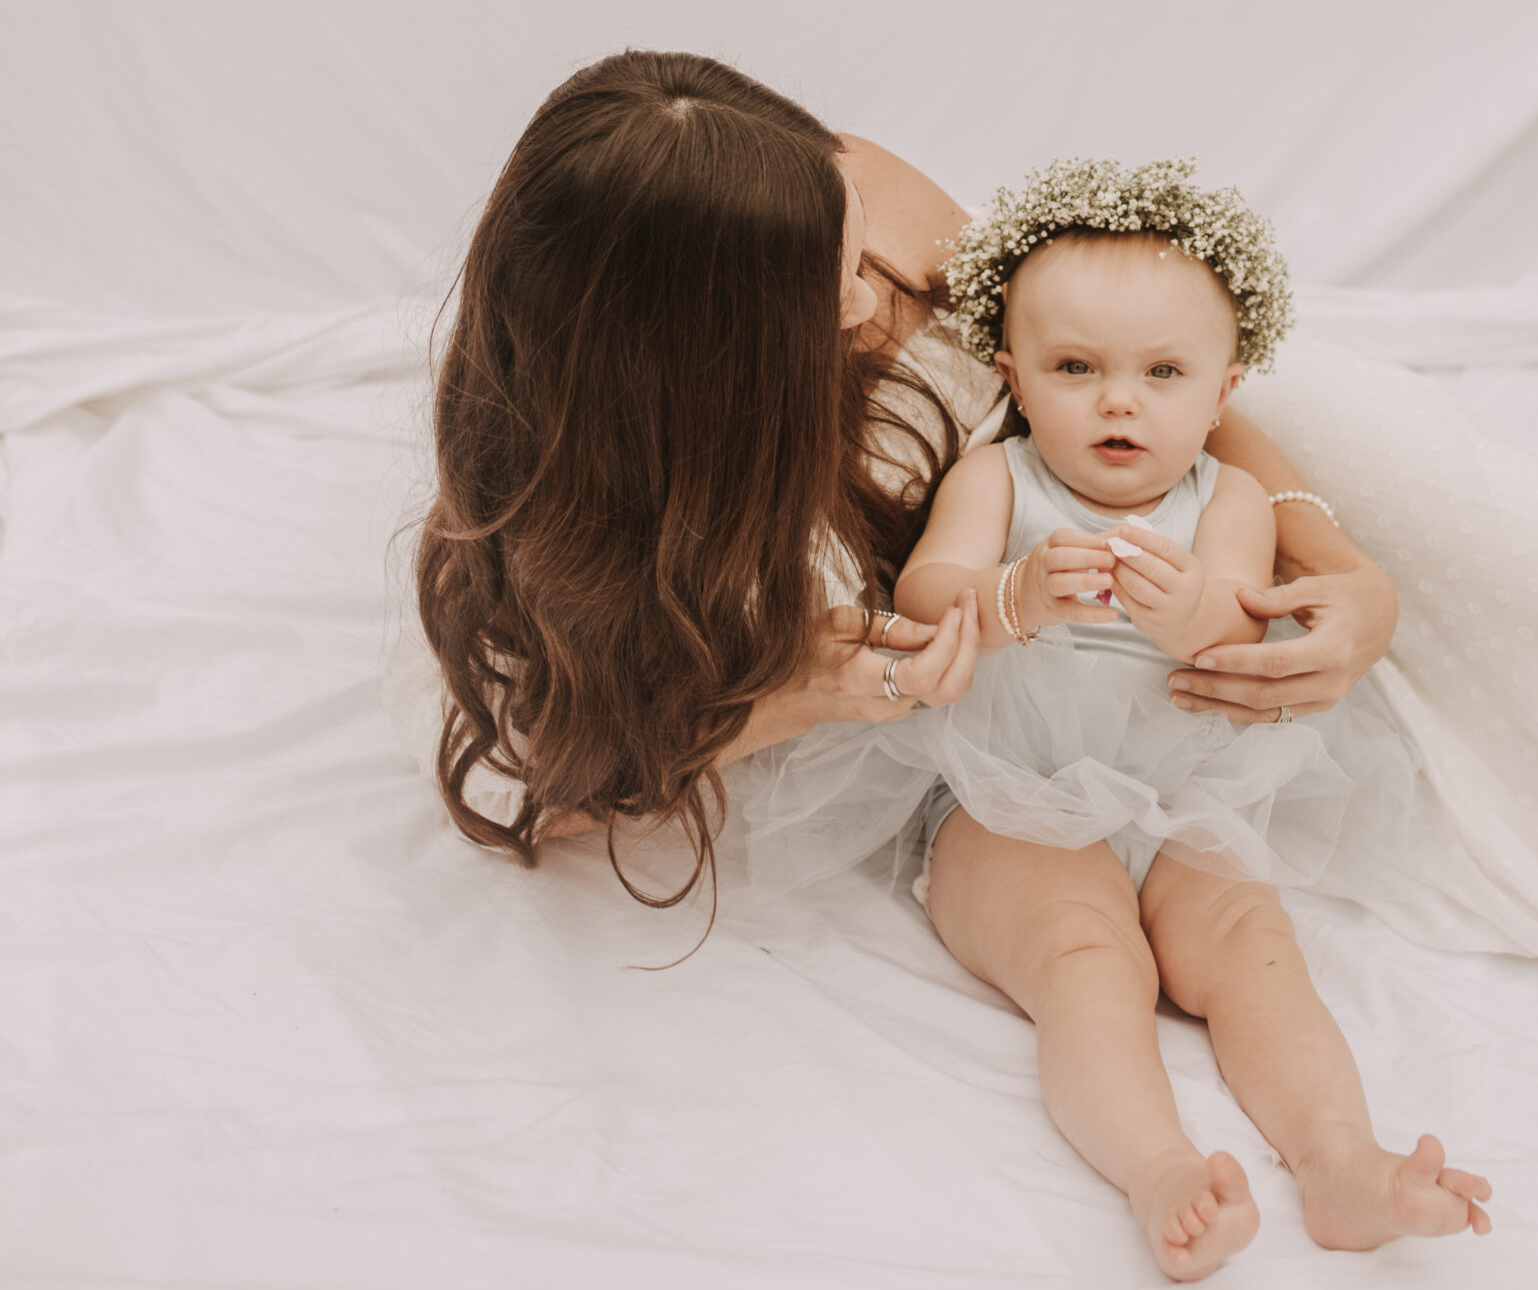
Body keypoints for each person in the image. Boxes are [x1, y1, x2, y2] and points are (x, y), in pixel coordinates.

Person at [409, 54, 1397, 894]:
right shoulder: (602, 538)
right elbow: (554, 795)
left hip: (1197, 479)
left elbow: (1120, 363)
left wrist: (1341, 568)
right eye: (828, 287)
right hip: (1045, 679)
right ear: (699, 366)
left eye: (855, 250)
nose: (863, 301)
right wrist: (813, 693)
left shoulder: (859, 193)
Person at [875, 159, 1491, 1276]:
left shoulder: (1233, 497)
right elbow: (927, 594)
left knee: (1254, 945)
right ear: (1014, 375)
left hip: (1183, 790)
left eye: (1163, 372)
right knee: (1084, 955)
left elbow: (1236, 626)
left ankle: (1340, 1159)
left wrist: (1195, 610)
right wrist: (1010, 597)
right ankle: (1158, 1163)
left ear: (1222, 392)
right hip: (1013, 792)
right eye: (1076, 368)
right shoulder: (1000, 480)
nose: (1121, 399)